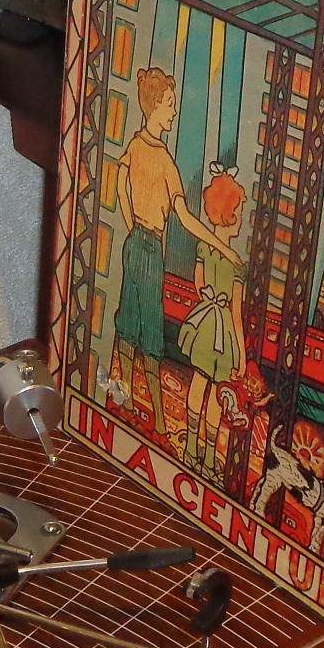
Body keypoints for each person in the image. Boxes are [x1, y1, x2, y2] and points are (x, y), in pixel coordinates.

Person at [113, 67, 234, 437]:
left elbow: (120, 186)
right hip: (148, 249)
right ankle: (159, 421)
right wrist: (223, 249)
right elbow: (184, 216)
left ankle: (128, 402)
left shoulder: (137, 147)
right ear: (153, 106)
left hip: (136, 242)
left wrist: (133, 225)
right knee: (148, 331)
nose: (174, 111)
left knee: (129, 324)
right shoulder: (162, 159)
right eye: (169, 104)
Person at [177, 165, 248, 468]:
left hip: (204, 323)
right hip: (225, 334)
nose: (241, 219)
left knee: (198, 383)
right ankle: (207, 458)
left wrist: (208, 298)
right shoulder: (237, 264)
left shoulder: (203, 249)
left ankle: (189, 449)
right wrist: (242, 357)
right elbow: (236, 314)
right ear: (230, 214)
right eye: (240, 212)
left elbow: (198, 283)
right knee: (219, 396)